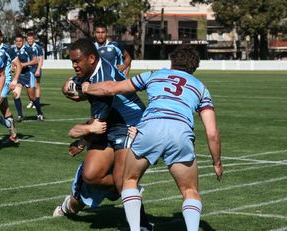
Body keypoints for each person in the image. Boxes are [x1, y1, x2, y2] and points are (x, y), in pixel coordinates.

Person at [82, 44, 223, 231]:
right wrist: (217, 162)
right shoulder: (201, 88)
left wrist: (87, 87)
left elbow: (112, 88)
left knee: (129, 180)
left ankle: (134, 229)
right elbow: (212, 132)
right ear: (194, 67)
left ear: (172, 62)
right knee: (190, 191)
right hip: (180, 132)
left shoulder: (154, 75)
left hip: (150, 128)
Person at [54, 38, 152, 230]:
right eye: (72, 61)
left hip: (129, 124)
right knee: (91, 175)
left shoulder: (102, 81)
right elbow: (70, 88)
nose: (74, 65)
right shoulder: (92, 69)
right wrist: (67, 88)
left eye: (77, 61)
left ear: (91, 58)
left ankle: (142, 224)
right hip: (110, 123)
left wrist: (81, 141)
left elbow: (97, 124)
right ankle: (124, 190)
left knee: (123, 181)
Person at [12, 33, 44, 121]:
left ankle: (39, 113)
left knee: (32, 97)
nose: (18, 43)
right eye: (17, 41)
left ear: (23, 41)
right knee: (15, 94)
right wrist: (12, 67)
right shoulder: (13, 50)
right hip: (18, 76)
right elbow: (12, 61)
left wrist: (23, 65)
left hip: (28, 75)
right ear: (15, 42)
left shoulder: (28, 49)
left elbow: (35, 61)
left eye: (20, 41)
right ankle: (20, 115)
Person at [25, 31, 44, 109]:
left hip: (35, 68)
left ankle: (36, 102)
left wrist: (38, 70)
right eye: (28, 39)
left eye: (31, 39)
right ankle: (31, 101)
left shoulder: (38, 47)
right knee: (28, 86)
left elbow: (41, 59)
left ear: (34, 39)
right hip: (28, 69)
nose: (29, 40)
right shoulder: (25, 47)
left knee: (36, 85)